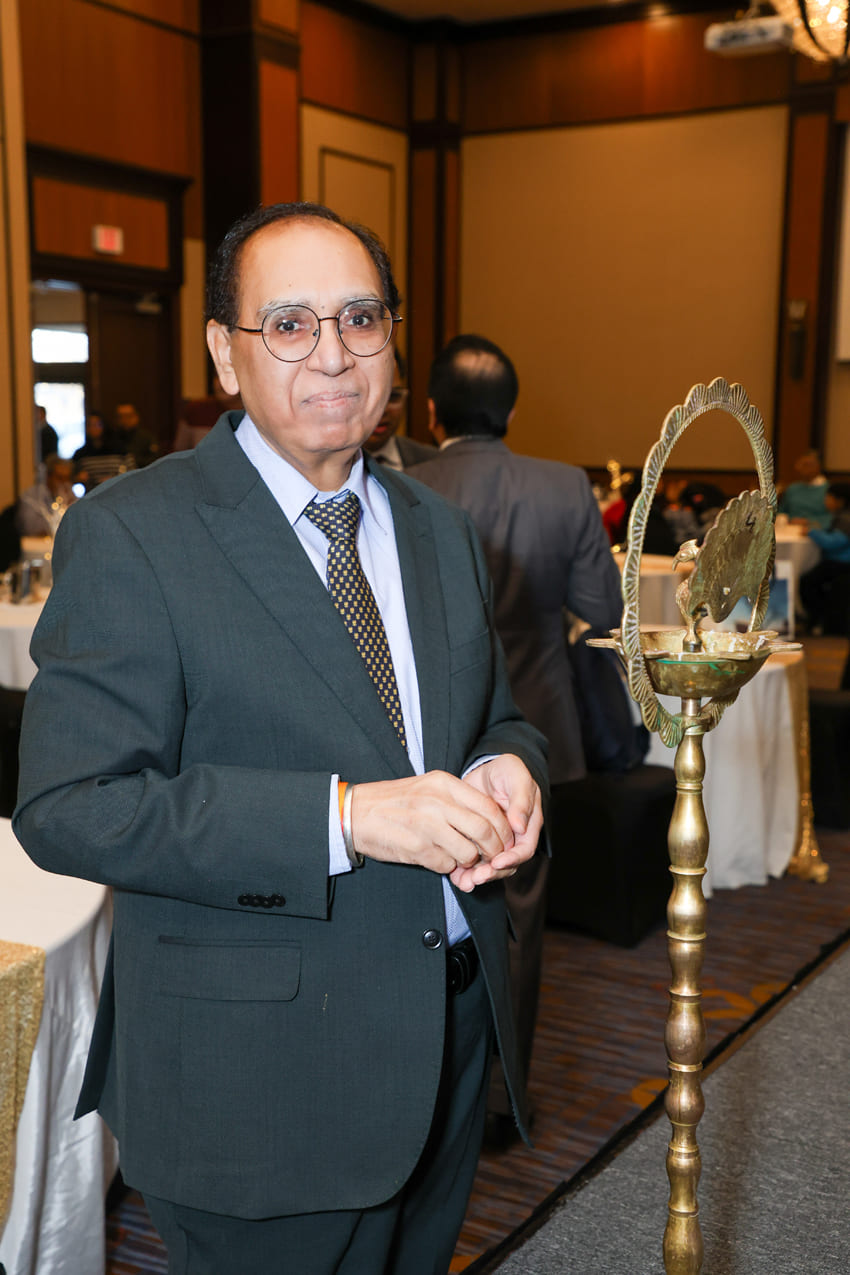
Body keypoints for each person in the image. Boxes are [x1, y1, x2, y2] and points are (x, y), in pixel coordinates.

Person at [14, 202, 547, 1275]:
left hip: (450, 1037)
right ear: (225, 352)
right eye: (290, 323)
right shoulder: (133, 533)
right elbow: (71, 807)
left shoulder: (439, 529)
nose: (334, 354)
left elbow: (490, 713)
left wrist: (508, 765)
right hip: (259, 1081)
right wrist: (342, 819)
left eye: (361, 318)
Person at [408, 333, 621, 1148]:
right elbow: (603, 611)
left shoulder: (403, 485)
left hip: (426, 734)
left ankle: (420, 1095)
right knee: (519, 917)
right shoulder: (563, 486)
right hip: (533, 727)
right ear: (513, 409)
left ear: (431, 410)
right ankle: (501, 1100)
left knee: (415, 910)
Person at [363, 347, 434, 468]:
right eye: (369, 397)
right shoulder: (328, 466)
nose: (383, 410)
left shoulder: (431, 462)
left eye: (393, 396)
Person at [799, 481, 850, 635]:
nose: (825, 501)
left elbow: (834, 543)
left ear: (840, 501)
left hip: (842, 563)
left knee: (807, 582)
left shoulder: (846, 518)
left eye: (828, 498)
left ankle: (816, 619)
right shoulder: (841, 515)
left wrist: (811, 532)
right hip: (838, 562)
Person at [171, 373, 243, 452]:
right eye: (218, 376)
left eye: (231, 375)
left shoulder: (251, 415)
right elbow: (179, 450)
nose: (222, 383)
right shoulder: (197, 410)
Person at [72, 411, 135, 490]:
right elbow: (72, 479)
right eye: (90, 425)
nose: (93, 428)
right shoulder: (81, 454)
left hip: (118, 490)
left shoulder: (120, 450)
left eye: (97, 425)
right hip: (93, 493)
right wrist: (79, 478)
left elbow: (132, 473)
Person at [16, 454, 76, 536]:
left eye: (67, 479)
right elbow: (31, 528)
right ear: (48, 476)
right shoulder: (31, 497)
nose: (63, 483)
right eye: (60, 478)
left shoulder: (71, 497)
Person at [778, 450, 830, 529]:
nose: (802, 468)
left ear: (818, 466)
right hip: (790, 528)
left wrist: (808, 522)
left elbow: (833, 518)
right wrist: (787, 519)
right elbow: (782, 512)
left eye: (807, 465)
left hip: (816, 530)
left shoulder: (827, 490)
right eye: (801, 464)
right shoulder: (793, 488)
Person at [105, 401, 159, 468]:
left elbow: (154, 459)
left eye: (128, 416)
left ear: (136, 417)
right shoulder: (110, 438)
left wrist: (133, 462)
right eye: (121, 417)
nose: (125, 420)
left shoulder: (147, 437)